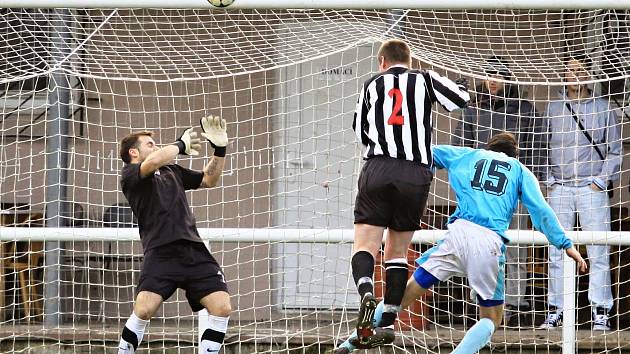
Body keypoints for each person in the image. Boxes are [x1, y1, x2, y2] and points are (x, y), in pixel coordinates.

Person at [331, 132, 587, 354]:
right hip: (488, 241)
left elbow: (426, 153)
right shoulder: (520, 171)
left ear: (488, 148)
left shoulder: (469, 155)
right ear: (514, 155)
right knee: (491, 317)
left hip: (457, 234)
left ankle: (349, 343)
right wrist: (566, 244)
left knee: (404, 293)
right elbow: (541, 211)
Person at [350, 39, 470, 347]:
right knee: (398, 253)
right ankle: (387, 319)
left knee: (365, 243)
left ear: (382, 62)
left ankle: (366, 293)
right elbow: (461, 99)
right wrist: (460, 82)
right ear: (410, 60)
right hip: (415, 172)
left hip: (378, 168)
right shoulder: (425, 79)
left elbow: (361, 130)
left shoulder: (371, 84)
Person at [116, 115, 231, 354]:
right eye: (149, 144)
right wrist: (179, 144)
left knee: (222, 307)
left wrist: (219, 150)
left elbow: (209, 180)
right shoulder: (130, 175)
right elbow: (155, 160)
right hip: (161, 252)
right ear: (133, 153)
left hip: (193, 250)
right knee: (144, 310)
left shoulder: (171, 170)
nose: (155, 148)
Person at [452, 56, 544, 325]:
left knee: (514, 248)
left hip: (513, 193)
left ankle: (515, 304)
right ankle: (480, 304)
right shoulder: (473, 110)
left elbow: (537, 151)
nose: (492, 81)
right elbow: (461, 147)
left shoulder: (524, 110)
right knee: (478, 249)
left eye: (498, 75)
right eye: (488, 75)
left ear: (507, 79)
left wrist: (529, 187)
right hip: (480, 194)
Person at [539, 53, 622, 331]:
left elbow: (615, 150)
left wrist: (601, 180)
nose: (574, 74)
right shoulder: (553, 108)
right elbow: (541, 147)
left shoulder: (604, 108)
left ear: (588, 73)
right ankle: (557, 310)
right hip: (560, 187)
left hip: (591, 188)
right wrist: (549, 181)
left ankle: (601, 310)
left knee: (598, 249)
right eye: (569, 70)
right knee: (556, 250)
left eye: (579, 70)